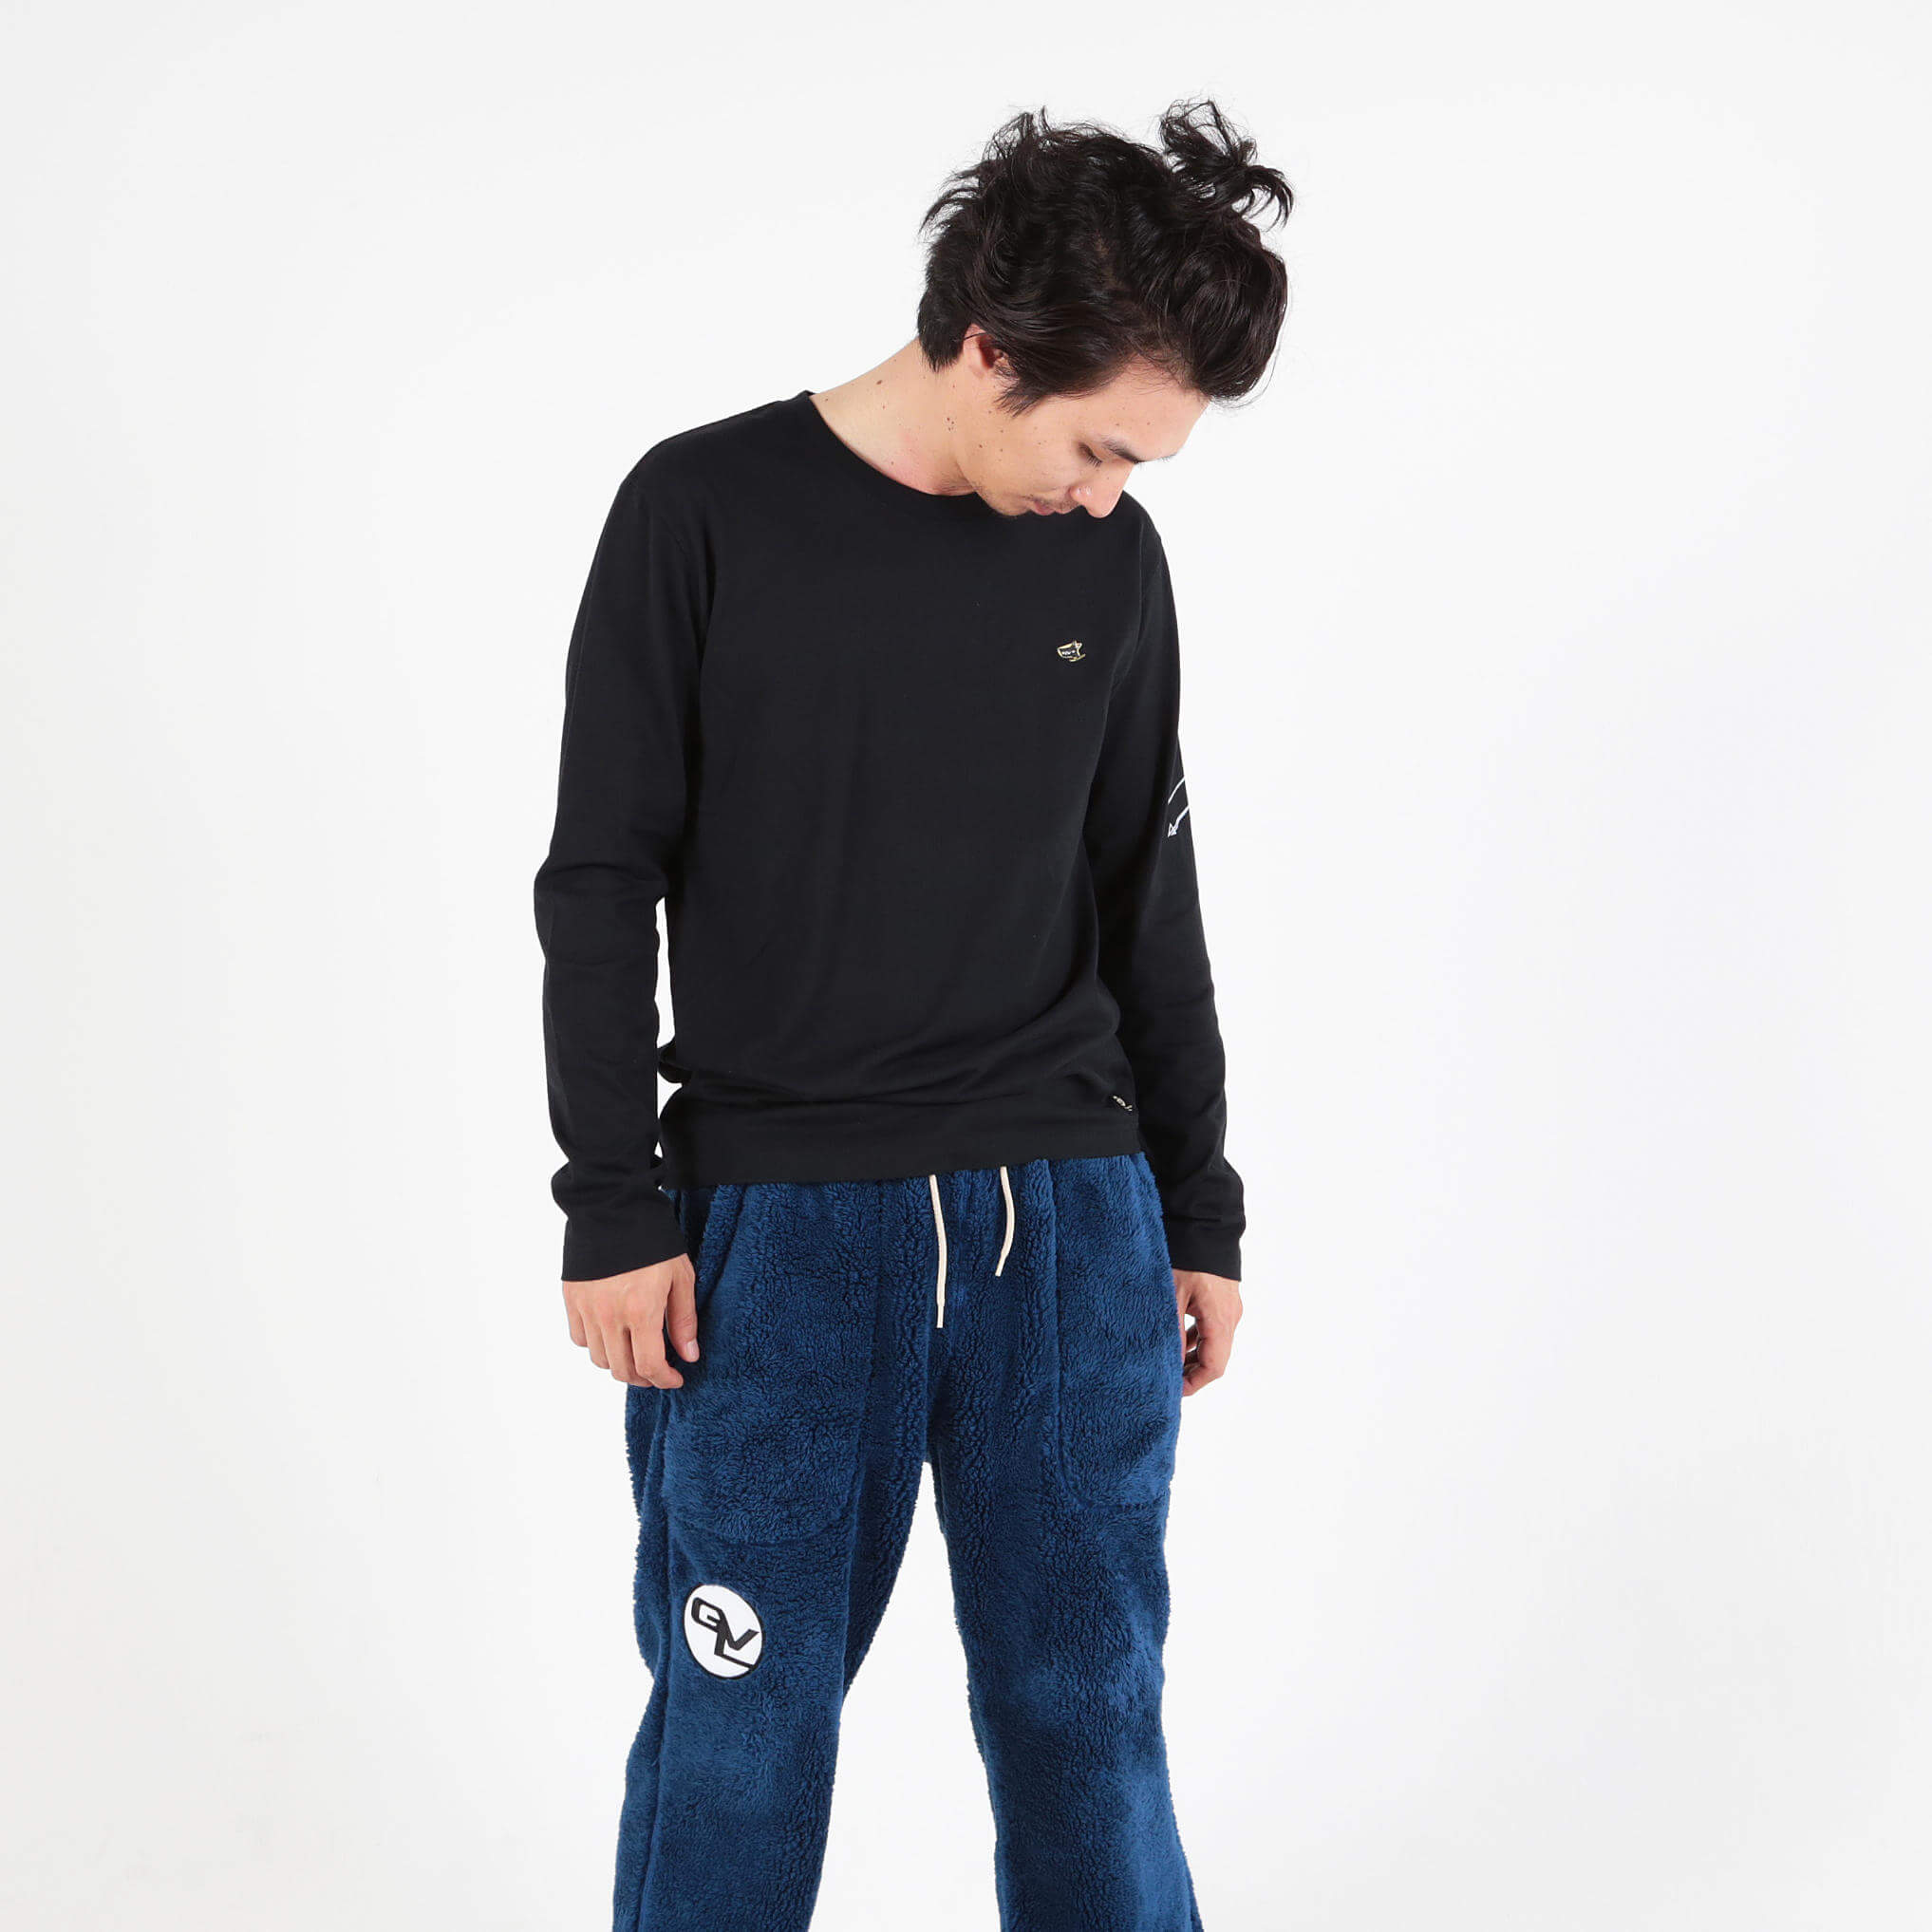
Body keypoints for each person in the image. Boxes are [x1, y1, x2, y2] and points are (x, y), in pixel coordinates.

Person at [534, 97, 1292, 1932]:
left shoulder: (1107, 560)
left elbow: (1148, 894)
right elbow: (601, 876)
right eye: (1099, 445)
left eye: (1144, 466)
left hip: (1069, 1228)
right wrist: (612, 1202)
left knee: (1088, 1717)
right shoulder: (702, 510)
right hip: (782, 1242)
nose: (1107, 492)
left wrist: (1196, 1208)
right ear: (990, 346)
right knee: (739, 1729)